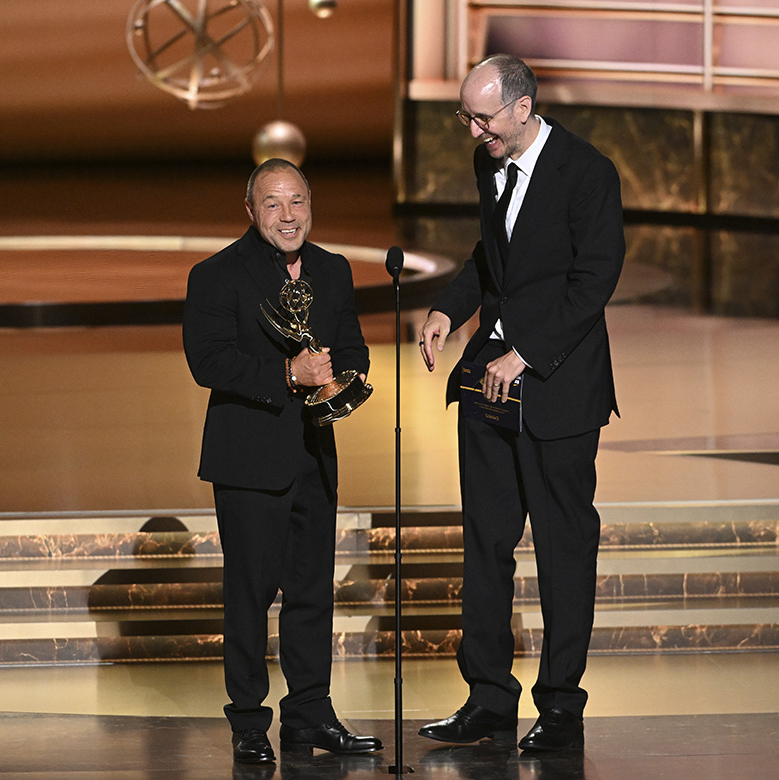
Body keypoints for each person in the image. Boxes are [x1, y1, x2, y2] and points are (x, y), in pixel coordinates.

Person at [417, 54, 626, 752]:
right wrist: (451, 309)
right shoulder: (491, 164)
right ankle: (488, 697)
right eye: (467, 118)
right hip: (489, 387)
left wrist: (527, 350)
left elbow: (594, 278)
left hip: (558, 391)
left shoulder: (586, 173)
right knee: (485, 541)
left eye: (484, 118)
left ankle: (560, 706)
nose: (476, 132)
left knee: (564, 547)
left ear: (523, 106)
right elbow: (493, 255)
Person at [183, 158, 382, 765]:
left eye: (297, 201)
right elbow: (209, 362)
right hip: (248, 461)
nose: (288, 215)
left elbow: (351, 344)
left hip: (313, 457)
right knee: (249, 594)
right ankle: (248, 720)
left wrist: (341, 379)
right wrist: (288, 374)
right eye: (273, 204)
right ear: (251, 211)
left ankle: (309, 714)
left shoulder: (332, 270)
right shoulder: (216, 275)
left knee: (311, 592)